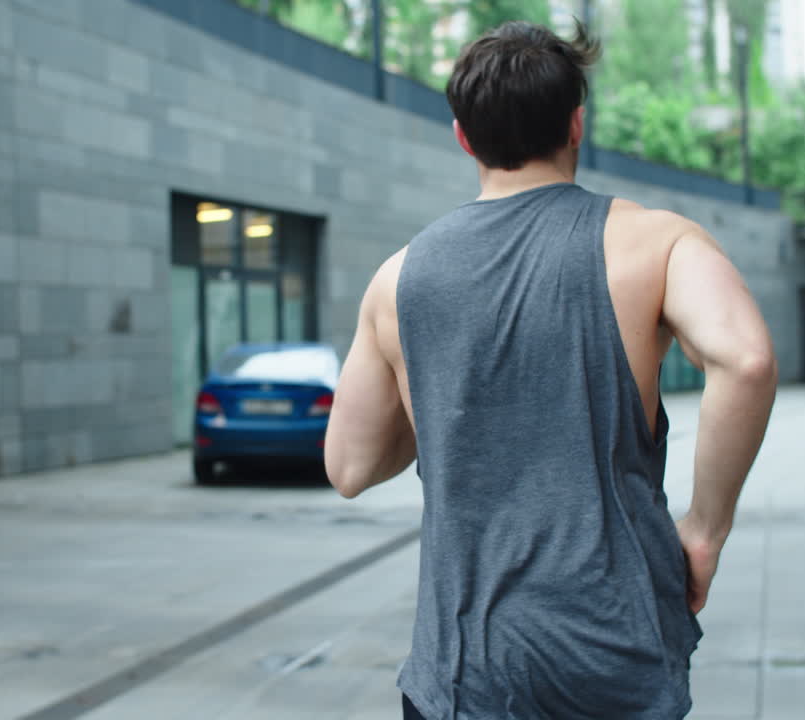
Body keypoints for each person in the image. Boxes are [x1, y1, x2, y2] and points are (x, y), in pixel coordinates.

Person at [323, 21, 777, 720]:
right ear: (576, 124)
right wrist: (705, 532)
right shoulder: (657, 242)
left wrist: (448, 400)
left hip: (463, 670)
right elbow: (745, 361)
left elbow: (350, 467)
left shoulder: (397, 279)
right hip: (613, 654)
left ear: (463, 137)